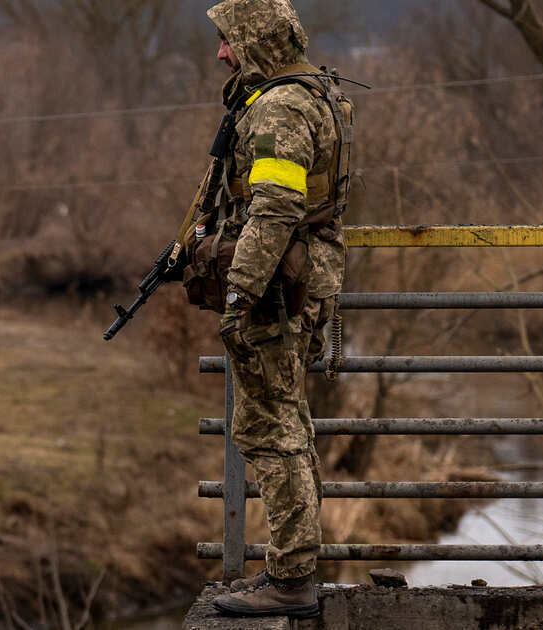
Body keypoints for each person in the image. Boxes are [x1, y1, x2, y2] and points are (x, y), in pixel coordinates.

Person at [201, 0, 351, 619]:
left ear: (256, 42)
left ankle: (290, 578)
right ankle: (288, 569)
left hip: (277, 289)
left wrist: (239, 291)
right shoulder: (311, 93)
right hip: (299, 279)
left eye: (229, 41)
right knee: (287, 421)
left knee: (271, 429)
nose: (221, 53)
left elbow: (276, 207)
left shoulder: (283, 106)